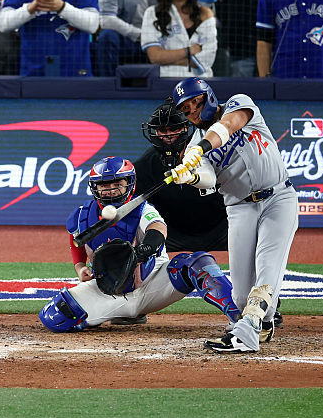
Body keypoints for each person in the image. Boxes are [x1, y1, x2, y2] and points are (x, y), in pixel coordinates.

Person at [37, 156, 252, 337]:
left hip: (152, 285)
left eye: (117, 184)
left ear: (128, 184)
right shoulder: (82, 216)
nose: (111, 190)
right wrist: (80, 267)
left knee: (196, 262)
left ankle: (239, 317)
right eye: (104, 185)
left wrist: (142, 251)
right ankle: (116, 313)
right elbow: (77, 241)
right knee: (55, 316)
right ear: (95, 187)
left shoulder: (141, 209)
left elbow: (158, 230)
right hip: (109, 291)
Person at [166, 77, 298, 353]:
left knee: (267, 265)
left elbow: (227, 125)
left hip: (278, 197)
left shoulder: (238, 103)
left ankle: (247, 334)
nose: (192, 112)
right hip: (240, 208)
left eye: (195, 103)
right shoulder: (192, 148)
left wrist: (201, 148)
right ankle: (263, 321)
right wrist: (189, 174)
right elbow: (206, 177)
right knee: (239, 296)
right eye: (186, 109)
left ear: (209, 97)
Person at [135, 100, 227, 251]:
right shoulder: (145, 165)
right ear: (155, 132)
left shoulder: (211, 151)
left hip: (220, 230)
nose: (168, 135)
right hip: (173, 236)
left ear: (186, 128)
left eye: (174, 129)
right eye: (162, 130)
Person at [140, 0, 217, 77]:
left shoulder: (205, 14)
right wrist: (189, 51)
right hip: (166, 80)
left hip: (200, 83)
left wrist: (168, 58)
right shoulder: (152, 13)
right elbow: (155, 57)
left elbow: (208, 58)